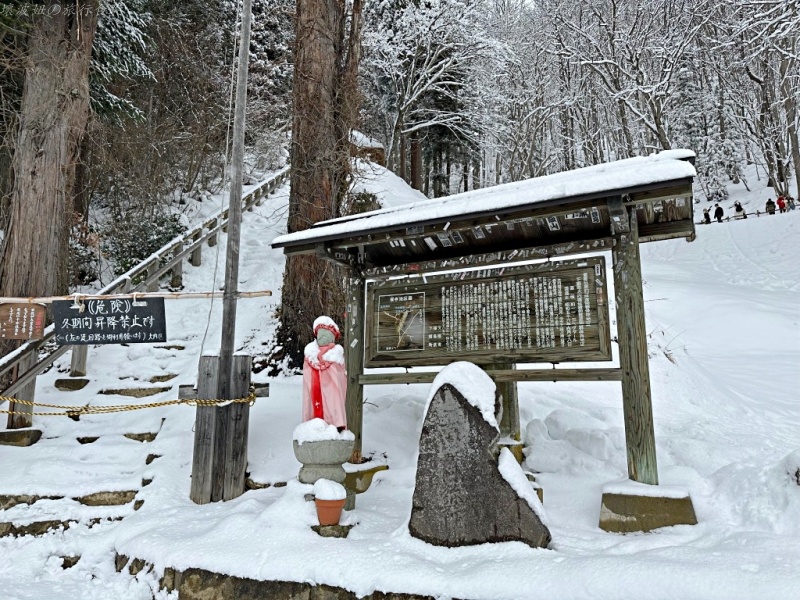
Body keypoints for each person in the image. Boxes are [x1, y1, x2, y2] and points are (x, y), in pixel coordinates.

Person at [302, 316, 348, 430]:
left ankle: (336, 422)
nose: (323, 336)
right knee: (312, 402)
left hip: (333, 395)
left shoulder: (336, 355)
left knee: (334, 401)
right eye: (320, 333)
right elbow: (307, 382)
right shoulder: (310, 356)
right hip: (315, 391)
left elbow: (340, 381)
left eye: (327, 333)